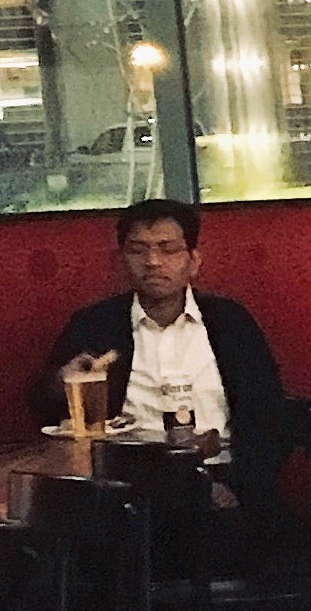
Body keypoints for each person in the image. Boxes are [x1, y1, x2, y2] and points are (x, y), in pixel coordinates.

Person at [31, 202, 291, 514]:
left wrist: (239, 486)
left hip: (219, 476)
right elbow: (46, 414)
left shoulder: (230, 323)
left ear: (193, 261)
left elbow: (268, 418)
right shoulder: (95, 325)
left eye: (168, 250)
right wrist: (60, 385)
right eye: (138, 250)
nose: (153, 262)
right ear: (121, 260)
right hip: (125, 485)